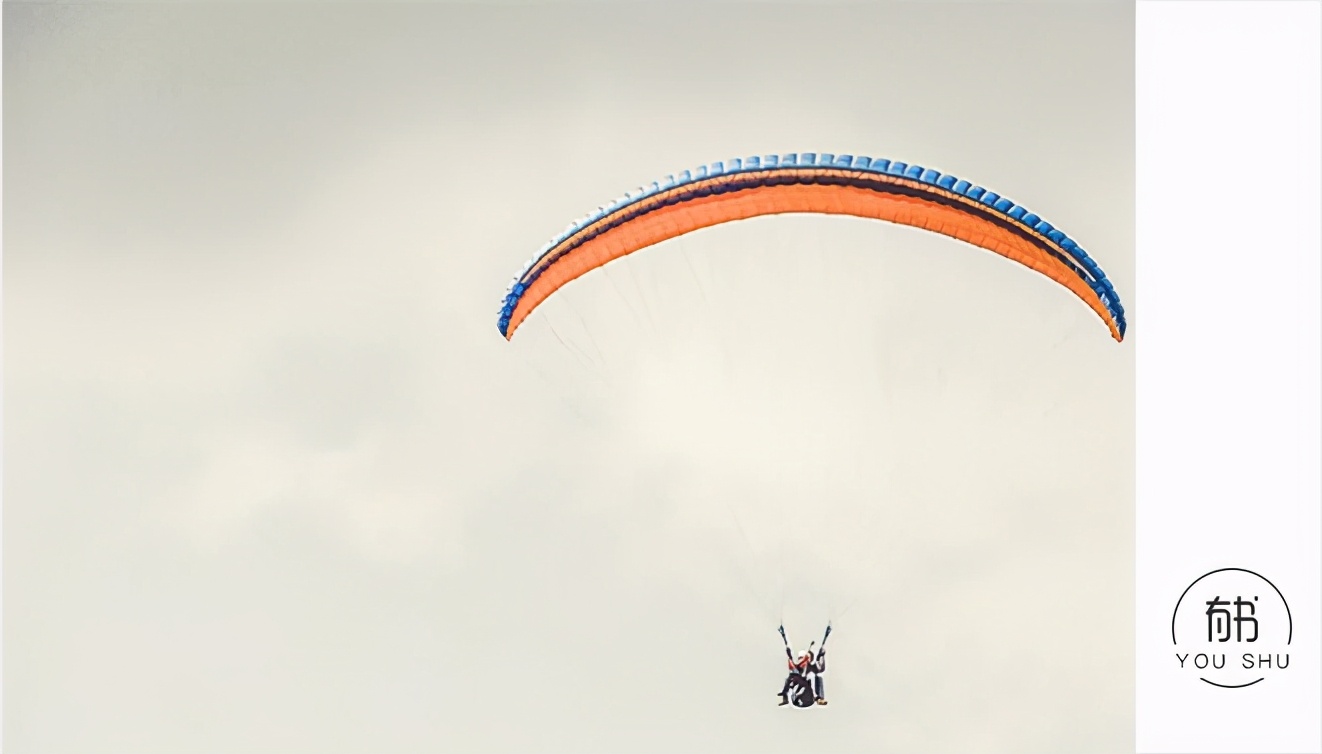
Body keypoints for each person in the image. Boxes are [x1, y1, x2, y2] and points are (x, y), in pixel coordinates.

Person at [777, 626, 829, 706]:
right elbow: (790, 660)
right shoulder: (796, 668)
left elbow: (820, 669)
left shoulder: (812, 668)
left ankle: (819, 698)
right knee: (789, 678)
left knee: (816, 677)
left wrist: (821, 655)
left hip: (809, 699)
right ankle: (785, 698)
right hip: (797, 698)